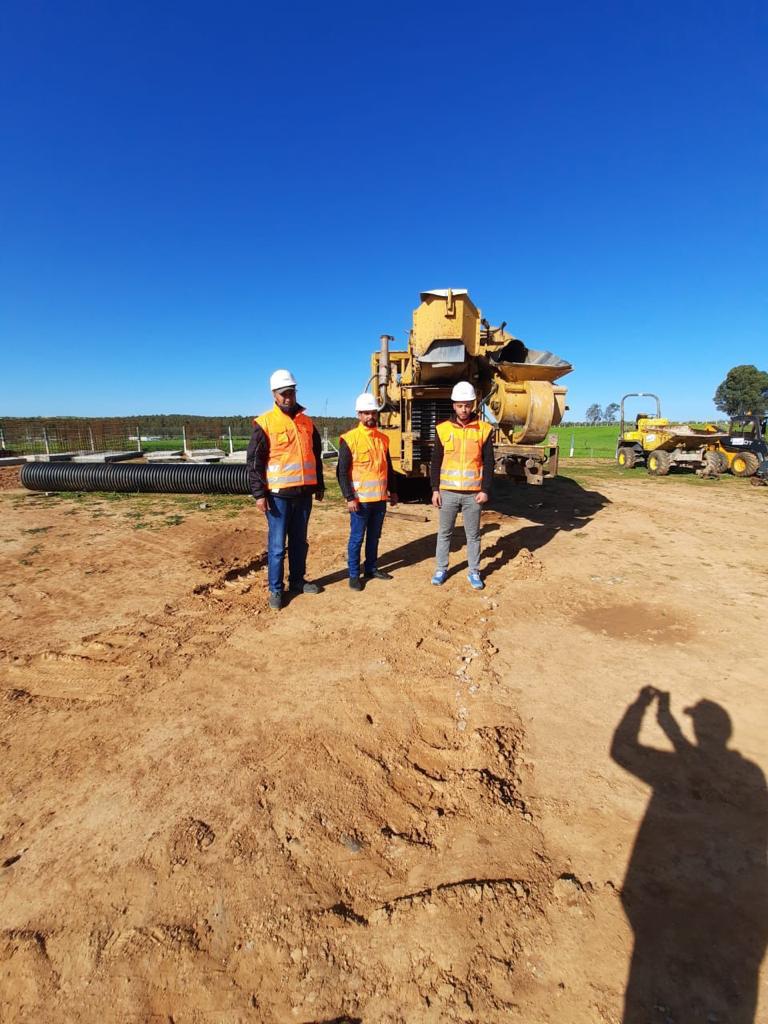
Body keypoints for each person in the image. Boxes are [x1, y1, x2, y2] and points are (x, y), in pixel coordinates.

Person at [247, 369, 324, 610]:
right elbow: (254, 462)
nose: (288, 397)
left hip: (303, 495)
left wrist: (319, 484)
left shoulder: (307, 423)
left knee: (300, 542)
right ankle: (276, 589)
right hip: (278, 497)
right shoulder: (265, 423)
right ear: (274, 394)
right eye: (283, 393)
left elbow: (316, 456)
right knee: (278, 546)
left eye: (291, 392)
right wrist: (259, 494)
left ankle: (297, 581)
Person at [430, 381, 494, 590]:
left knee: (473, 535)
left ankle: (474, 571)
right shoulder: (442, 429)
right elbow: (436, 461)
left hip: (473, 495)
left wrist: (485, 490)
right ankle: (441, 569)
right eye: (460, 405)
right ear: (454, 405)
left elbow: (489, 462)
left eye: (467, 405)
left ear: (473, 404)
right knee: (444, 533)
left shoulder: (484, 429)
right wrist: (435, 489)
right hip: (447, 492)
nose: (464, 409)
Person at [337, 393, 399, 590]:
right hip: (360, 501)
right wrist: (349, 497)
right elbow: (342, 472)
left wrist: (393, 491)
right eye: (366, 413)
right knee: (357, 538)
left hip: (379, 500)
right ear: (359, 414)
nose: (370, 416)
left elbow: (388, 468)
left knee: (374, 537)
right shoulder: (349, 439)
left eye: (373, 412)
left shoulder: (383, 439)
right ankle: (354, 574)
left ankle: (371, 568)